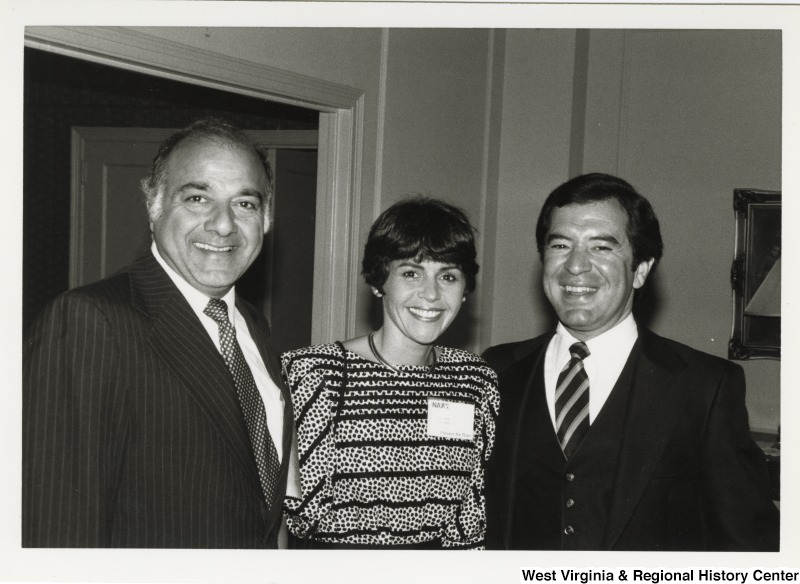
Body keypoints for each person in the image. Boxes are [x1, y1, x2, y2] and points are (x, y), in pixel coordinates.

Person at [23, 118, 294, 548]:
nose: (223, 225)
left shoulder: (252, 327)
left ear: (267, 217)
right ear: (154, 203)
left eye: (244, 203)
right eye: (198, 198)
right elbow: (58, 529)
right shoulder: (91, 322)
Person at [484, 173, 779, 551]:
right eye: (560, 245)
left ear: (640, 269)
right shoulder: (496, 370)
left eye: (601, 248)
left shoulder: (705, 386)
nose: (575, 266)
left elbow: (749, 544)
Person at [282, 197, 499, 549]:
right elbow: (284, 514)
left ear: (464, 292)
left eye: (448, 276)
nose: (431, 294)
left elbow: (470, 519)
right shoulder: (315, 374)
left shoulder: (475, 381)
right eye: (411, 273)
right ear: (379, 280)